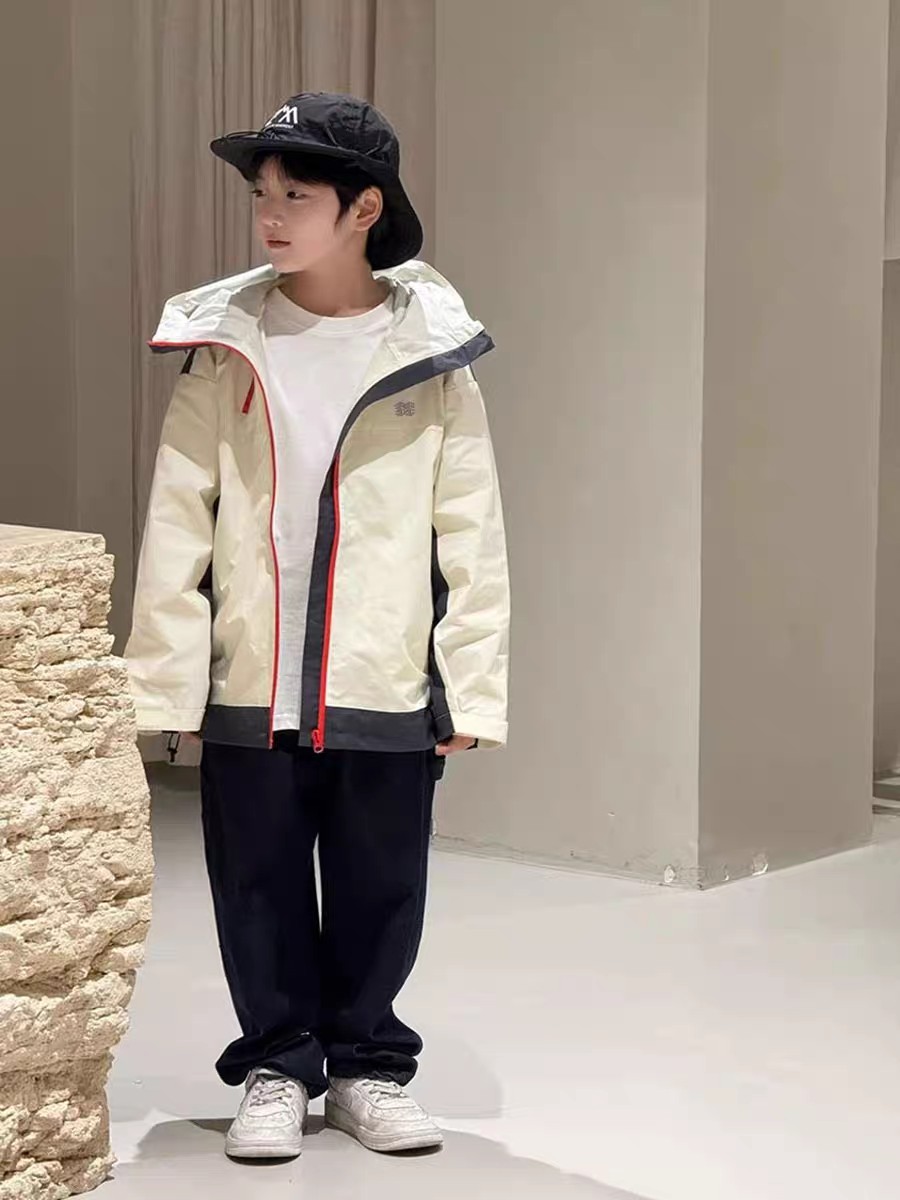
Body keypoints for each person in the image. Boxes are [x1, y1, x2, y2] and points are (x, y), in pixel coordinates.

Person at [124, 91, 510, 1160]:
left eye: (297, 195)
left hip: (383, 675)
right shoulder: (226, 343)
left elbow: (472, 533)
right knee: (256, 883)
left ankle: (368, 1069)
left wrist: (468, 686)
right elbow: (178, 518)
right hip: (251, 672)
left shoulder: (431, 353)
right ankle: (278, 1065)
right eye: (262, 194)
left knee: (384, 884)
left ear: (363, 207)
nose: (270, 215)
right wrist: (167, 679)